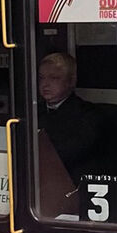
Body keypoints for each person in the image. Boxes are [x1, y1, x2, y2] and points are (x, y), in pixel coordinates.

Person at [37, 53, 107, 184]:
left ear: (71, 81)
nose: (45, 84)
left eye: (54, 78)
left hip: (70, 183)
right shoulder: (32, 112)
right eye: (41, 78)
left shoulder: (87, 115)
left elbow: (68, 154)